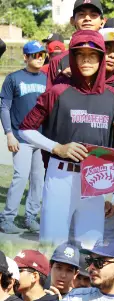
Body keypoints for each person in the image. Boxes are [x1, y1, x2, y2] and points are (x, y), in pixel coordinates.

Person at [18, 30, 114, 247]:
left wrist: (110, 193)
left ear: (101, 58)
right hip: (61, 176)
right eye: (80, 54)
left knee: (90, 247)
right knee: (52, 245)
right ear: (72, 57)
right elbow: (25, 129)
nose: (86, 60)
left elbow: (109, 145)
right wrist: (57, 148)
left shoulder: (111, 96)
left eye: (92, 55)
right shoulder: (58, 92)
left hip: (95, 178)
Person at [0, 41, 46, 235]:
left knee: (38, 180)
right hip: (21, 136)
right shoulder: (13, 78)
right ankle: (7, 219)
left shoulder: (47, 79)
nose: (39, 58)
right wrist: (9, 134)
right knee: (20, 177)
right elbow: (4, 108)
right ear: (25, 57)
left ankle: (30, 218)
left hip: (42, 138)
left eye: (42, 54)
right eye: (34, 55)